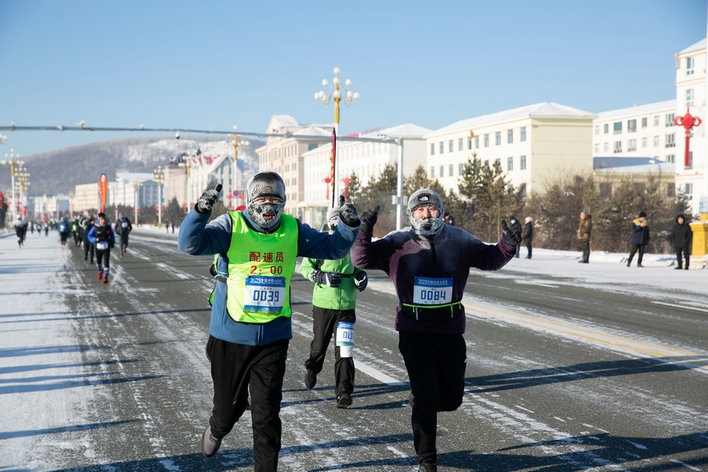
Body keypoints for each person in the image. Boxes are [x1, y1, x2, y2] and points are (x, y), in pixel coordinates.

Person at [177, 172, 360, 469]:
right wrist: (200, 211)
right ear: (250, 201)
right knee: (227, 411)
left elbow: (333, 249)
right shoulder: (231, 225)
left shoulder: (293, 229)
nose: (269, 207)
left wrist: (349, 226)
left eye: (275, 200)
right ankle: (217, 428)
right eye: (262, 199)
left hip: (273, 339)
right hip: (230, 336)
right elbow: (189, 244)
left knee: (267, 417)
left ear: (284, 203)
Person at [350, 188, 521, 472]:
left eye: (431, 209)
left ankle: (423, 399)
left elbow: (490, 258)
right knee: (426, 397)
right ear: (411, 214)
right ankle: (427, 460)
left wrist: (508, 246)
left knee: (451, 399)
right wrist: (363, 231)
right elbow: (361, 260)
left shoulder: (458, 239)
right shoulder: (397, 242)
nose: (426, 215)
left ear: (440, 212)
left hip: (450, 331)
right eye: (420, 210)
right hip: (414, 331)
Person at [300, 207, 368, 409]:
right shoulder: (321, 242)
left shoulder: (352, 244)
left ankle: (344, 392)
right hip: (323, 304)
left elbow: (358, 267)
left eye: (342, 220)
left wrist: (361, 276)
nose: (338, 223)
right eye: (335, 220)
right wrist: (320, 276)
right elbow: (305, 267)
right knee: (319, 345)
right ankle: (313, 368)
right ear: (330, 223)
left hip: (346, 305)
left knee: (344, 351)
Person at [88, 212, 115, 283]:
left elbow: (112, 235)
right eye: (102, 219)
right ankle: (100, 271)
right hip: (98, 248)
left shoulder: (108, 227)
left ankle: (105, 276)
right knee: (98, 263)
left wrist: (112, 242)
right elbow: (89, 235)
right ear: (99, 220)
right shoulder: (95, 227)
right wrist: (95, 239)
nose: (104, 221)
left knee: (106, 262)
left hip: (106, 248)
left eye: (104, 219)